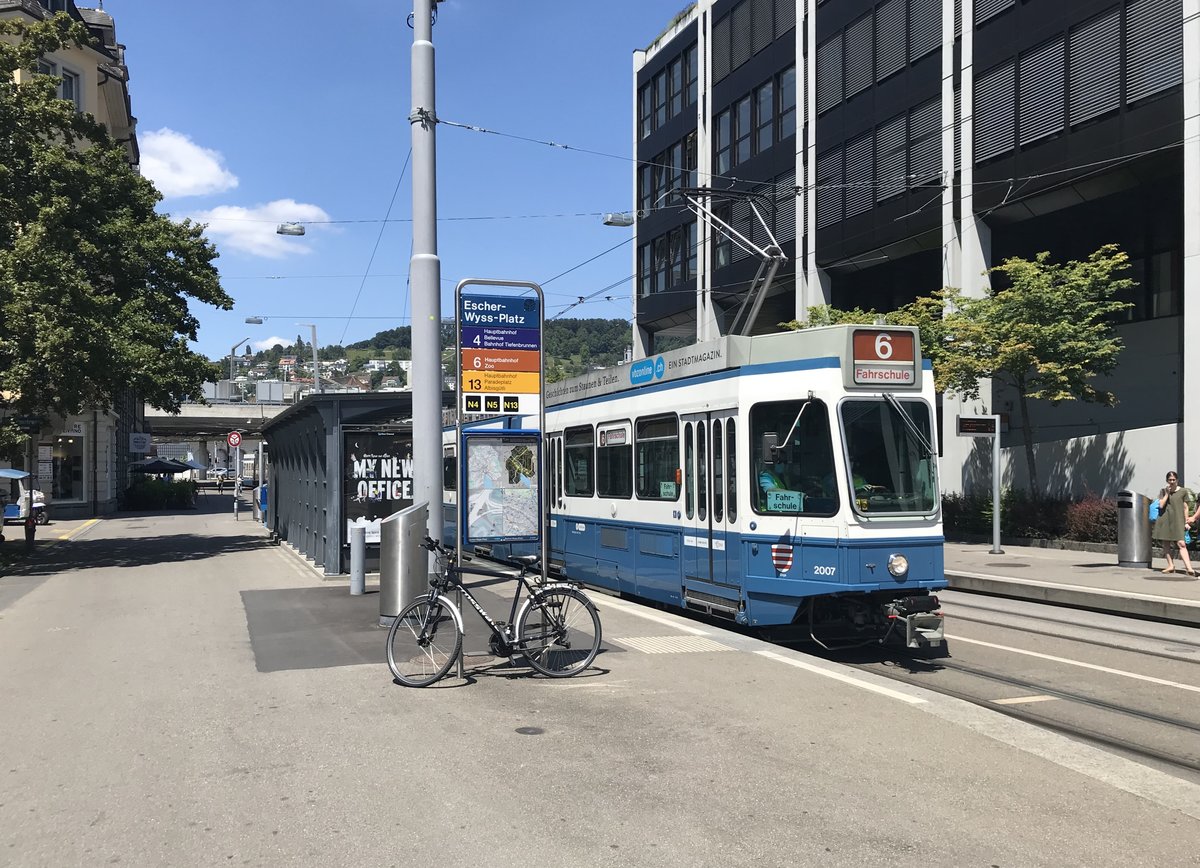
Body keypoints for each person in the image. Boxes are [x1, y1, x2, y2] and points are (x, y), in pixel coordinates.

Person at [1152, 471, 1196, 576]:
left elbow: (1185, 508)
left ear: (1177, 480)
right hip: (1165, 519)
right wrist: (1167, 493)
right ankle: (1170, 565)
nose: (1171, 482)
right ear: (1167, 480)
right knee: (1166, 542)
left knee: (1181, 543)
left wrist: (1186, 521)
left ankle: (1189, 568)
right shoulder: (1163, 491)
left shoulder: (1183, 491)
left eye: (1173, 480)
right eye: (1170, 480)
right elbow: (1161, 505)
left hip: (1178, 520)